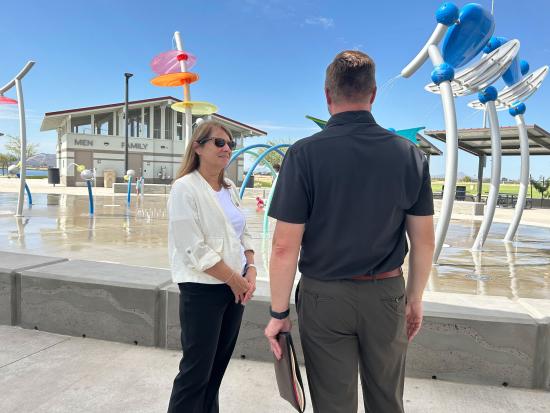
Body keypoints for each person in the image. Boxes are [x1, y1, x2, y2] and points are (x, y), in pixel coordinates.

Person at [264, 50, 435, 413]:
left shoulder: (303, 155)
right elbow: (423, 241)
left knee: (333, 403)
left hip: (324, 297)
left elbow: (283, 247)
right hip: (387, 294)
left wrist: (279, 314)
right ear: (373, 94)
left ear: (328, 96)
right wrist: (414, 298)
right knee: (387, 400)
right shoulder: (409, 155)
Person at [167, 120, 257, 413]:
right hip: (203, 289)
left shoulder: (230, 187)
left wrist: (252, 268)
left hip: (235, 289)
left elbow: (244, 232)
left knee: (216, 371)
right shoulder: (185, 188)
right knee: (195, 373)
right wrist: (235, 279)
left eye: (230, 143)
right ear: (198, 147)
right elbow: (193, 247)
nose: (227, 148)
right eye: (219, 142)